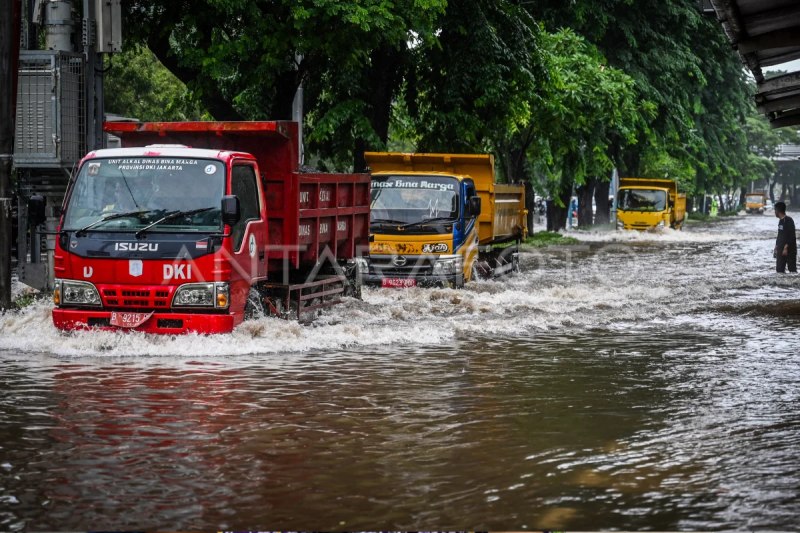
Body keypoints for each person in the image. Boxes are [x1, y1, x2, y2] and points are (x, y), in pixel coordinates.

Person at [773, 201, 797, 273]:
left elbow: (791, 236)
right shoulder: (780, 221)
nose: (775, 212)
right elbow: (780, 235)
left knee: (792, 270)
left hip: (790, 249)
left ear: (778, 210)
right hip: (780, 248)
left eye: (775, 210)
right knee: (779, 270)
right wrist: (776, 246)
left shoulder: (789, 221)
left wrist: (786, 247)